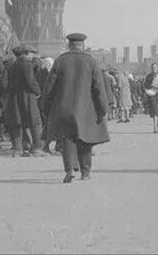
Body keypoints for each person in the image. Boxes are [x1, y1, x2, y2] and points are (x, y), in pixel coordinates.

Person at [39, 33, 111, 183]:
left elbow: (49, 88)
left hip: (64, 108)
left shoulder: (60, 61)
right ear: (83, 45)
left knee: (67, 140)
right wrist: (103, 108)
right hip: (86, 110)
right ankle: (85, 172)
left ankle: (70, 169)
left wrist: (45, 107)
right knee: (85, 140)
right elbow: (98, 88)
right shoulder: (91, 62)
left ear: (68, 45)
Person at [3, 45, 43, 157]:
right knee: (36, 122)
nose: (33, 55)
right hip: (27, 97)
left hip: (14, 97)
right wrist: (38, 92)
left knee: (17, 122)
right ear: (26, 53)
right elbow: (30, 81)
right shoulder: (26, 64)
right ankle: (37, 148)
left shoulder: (12, 65)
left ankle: (17, 149)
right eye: (31, 53)